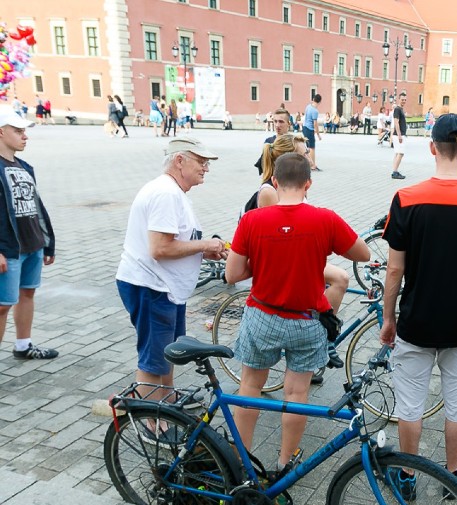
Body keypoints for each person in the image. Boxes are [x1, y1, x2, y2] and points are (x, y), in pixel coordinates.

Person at [380, 113, 457, 496]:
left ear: (432, 147)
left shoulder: (406, 198)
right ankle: (451, 477)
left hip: (416, 320)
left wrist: (388, 318)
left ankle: (409, 477)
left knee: (410, 406)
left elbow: (394, 271)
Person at [226, 152, 369, 471]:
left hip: (261, 316)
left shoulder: (252, 220)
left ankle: (239, 460)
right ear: (308, 184)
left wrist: (264, 261)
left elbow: (232, 274)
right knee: (296, 391)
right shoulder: (325, 219)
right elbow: (363, 252)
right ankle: (284, 461)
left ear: (274, 182)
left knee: (250, 385)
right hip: (306, 321)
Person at [116, 137, 226, 403]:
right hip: (152, 286)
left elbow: (171, 243)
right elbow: (160, 248)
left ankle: (166, 402)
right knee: (154, 360)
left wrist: (201, 250)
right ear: (179, 160)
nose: (206, 168)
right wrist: (205, 244)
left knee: (166, 353)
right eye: (201, 161)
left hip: (163, 287)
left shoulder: (173, 191)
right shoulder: (165, 193)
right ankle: (151, 422)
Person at [244, 132, 351, 373]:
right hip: (280, 260)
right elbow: (283, 237)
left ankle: (321, 336)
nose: (309, 158)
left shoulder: (283, 187)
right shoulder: (270, 192)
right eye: (304, 154)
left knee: (337, 277)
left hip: (287, 254)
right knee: (340, 278)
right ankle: (325, 335)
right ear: (290, 158)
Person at [0, 110, 58, 360]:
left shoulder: (24, 167)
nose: (25, 137)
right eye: (18, 131)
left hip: (32, 244)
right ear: (1, 131)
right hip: (8, 247)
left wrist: (47, 243)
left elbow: (36, 206)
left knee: (28, 293)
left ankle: (23, 345)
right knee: (2, 306)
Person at [254, 108, 292, 174]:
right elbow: (263, 166)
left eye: (281, 121)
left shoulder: (295, 142)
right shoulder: (269, 141)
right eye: (275, 121)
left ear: (289, 123)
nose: (277, 125)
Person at [391, 92, 409, 179]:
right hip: (399, 135)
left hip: (400, 134)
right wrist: (399, 135)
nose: (404, 101)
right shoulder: (397, 109)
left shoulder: (400, 109)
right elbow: (396, 122)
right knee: (401, 153)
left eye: (405, 100)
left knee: (397, 153)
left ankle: (394, 170)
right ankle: (395, 172)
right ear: (399, 99)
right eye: (402, 99)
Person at [303, 94, 322, 171]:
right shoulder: (315, 111)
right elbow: (315, 124)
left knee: (308, 147)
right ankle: (312, 165)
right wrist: (318, 134)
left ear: (313, 99)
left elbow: (306, 118)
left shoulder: (308, 106)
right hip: (310, 129)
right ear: (320, 102)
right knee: (312, 148)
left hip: (305, 128)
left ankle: (308, 164)